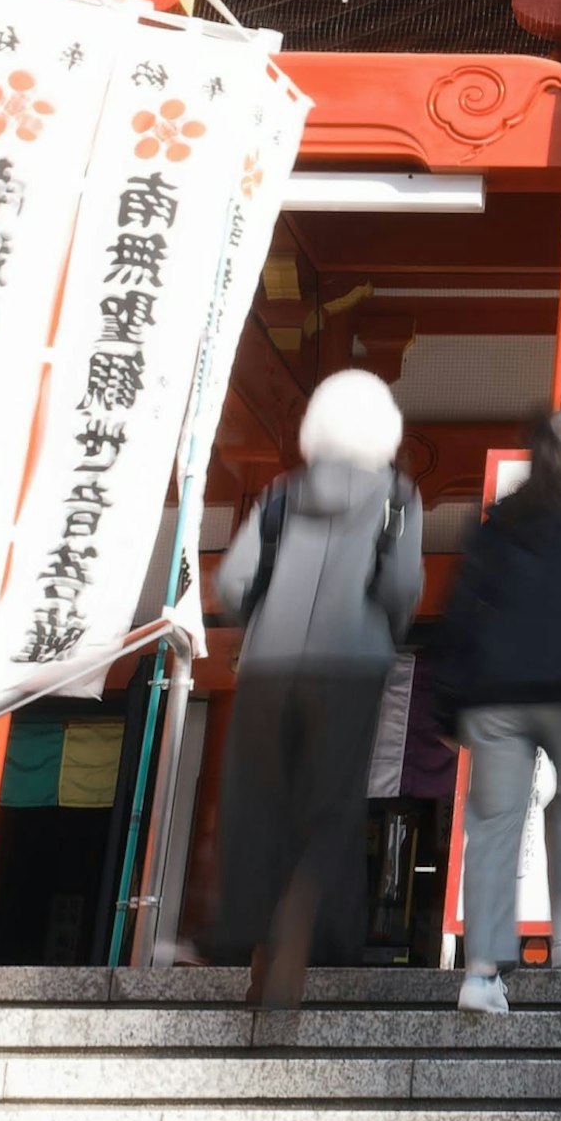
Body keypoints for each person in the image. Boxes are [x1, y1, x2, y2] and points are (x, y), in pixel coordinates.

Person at [206, 367, 425, 1009]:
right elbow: (400, 587)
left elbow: (233, 581)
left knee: (258, 807)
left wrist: (267, 624)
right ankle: (305, 938)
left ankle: (253, 944)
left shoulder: (279, 493)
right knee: (328, 810)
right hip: (351, 667)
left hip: (268, 667)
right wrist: (382, 627)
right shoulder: (397, 497)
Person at [427, 405, 561, 1018]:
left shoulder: (500, 518)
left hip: (494, 698)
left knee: (492, 825)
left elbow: (460, 610)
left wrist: (446, 710)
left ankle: (483, 975)